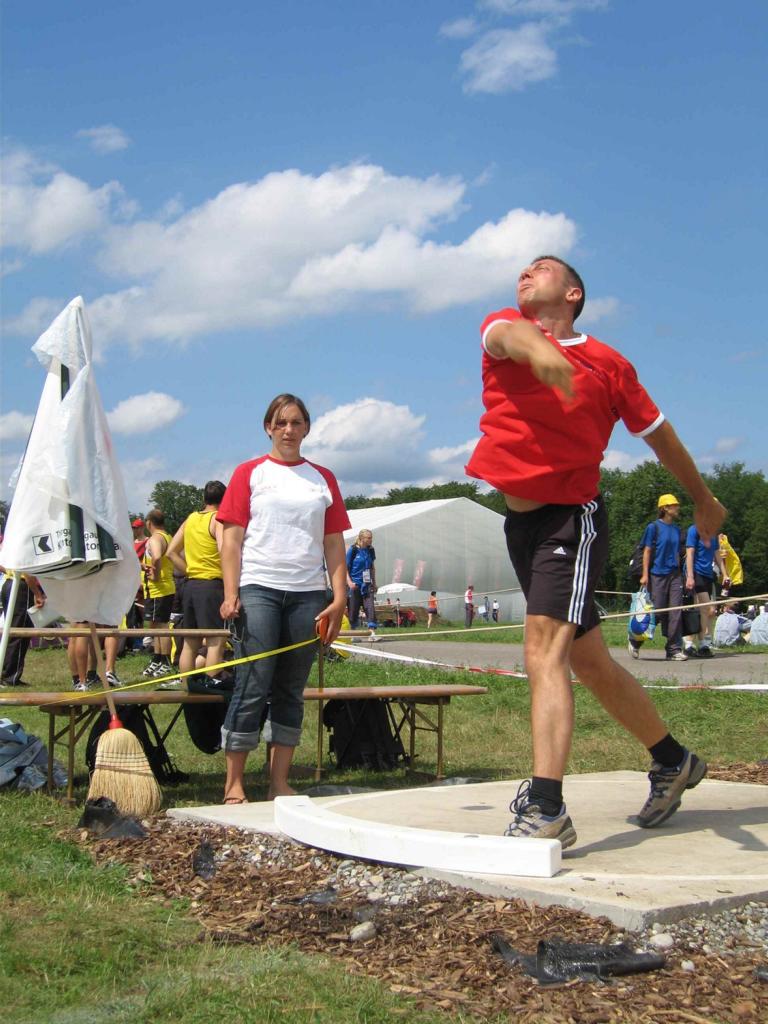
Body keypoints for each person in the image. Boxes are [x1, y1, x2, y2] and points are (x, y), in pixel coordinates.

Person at [465, 255, 725, 849]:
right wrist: (539, 350)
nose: (526, 272)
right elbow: (507, 337)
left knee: (543, 650)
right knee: (589, 663)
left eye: (542, 267)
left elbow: (660, 436)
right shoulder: (504, 328)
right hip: (521, 526)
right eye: (523, 268)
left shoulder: (609, 365)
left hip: (570, 522)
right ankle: (673, 760)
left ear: (573, 293)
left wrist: (704, 499)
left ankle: (546, 809)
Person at [217, 393, 349, 804]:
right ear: (268, 428)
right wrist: (230, 594)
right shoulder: (249, 473)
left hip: (308, 593)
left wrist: (340, 596)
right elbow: (231, 540)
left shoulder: (322, 478)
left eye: (296, 422)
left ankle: (279, 782)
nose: (288, 430)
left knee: (291, 689)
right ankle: (234, 783)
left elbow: (333, 542)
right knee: (253, 683)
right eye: (280, 422)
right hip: (259, 587)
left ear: (306, 428)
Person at [167, 481, 228, 691]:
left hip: (190, 585)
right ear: (225, 499)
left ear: (204, 498)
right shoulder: (218, 520)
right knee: (216, 640)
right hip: (212, 585)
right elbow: (224, 551)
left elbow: (171, 552)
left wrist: (189, 570)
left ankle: (186, 688)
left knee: (190, 642)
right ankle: (211, 687)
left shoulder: (191, 518)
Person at [638, 495, 687, 661]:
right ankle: (636, 639)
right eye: (674, 505)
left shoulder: (677, 529)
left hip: (675, 575)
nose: (677, 508)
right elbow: (647, 551)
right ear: (665, 508)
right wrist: (645, 574)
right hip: (657, 574)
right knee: (657, 611)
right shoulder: (653, 527)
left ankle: (673, 649)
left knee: (676, 612)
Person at [141, 509, 176, 679]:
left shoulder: (155, 539)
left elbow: (156, 556)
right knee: (155, 625)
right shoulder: (168, 537)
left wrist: (154, 575)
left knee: (161, 625)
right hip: (161, 588)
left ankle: (165, 661)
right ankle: (157, 658)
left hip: (159, 589)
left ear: (149, 523)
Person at [684, 522, 727, 657]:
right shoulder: (694, 530)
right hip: (696, 572)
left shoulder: (713, 533)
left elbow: (716, 554)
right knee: (705, 608)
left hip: (708, 574)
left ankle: (693, 644)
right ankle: (699, 644)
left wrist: (725, 574)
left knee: (702, 609)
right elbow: (690, 553)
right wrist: (690, 576)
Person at [0, 571, 45, 686]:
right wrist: (37, 593)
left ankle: (6, 673)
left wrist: (10, 571)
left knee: (11, 632)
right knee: (20, 633)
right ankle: (10, 677)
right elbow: (27, 571)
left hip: (8, 583)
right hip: (22, 585)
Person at [346, 529, 378, 639]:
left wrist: (374, 583)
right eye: (368, 538)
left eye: (371, 537)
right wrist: (349, 582)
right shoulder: (353, 550)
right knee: (353, 609)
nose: (371, 540)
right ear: (361, 538)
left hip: (367, 584)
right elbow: (346, 568)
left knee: (370, 607)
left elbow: (372, 568)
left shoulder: (370, 550)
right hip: (355, 584)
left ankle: (372, 632)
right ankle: (353, 634)